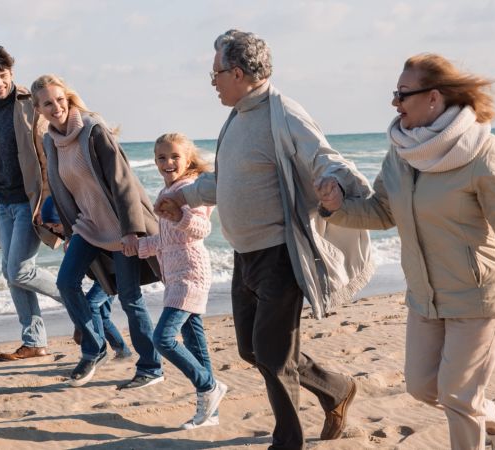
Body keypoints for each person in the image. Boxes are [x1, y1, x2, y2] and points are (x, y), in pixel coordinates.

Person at [155, 30, 372, 448]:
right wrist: (183, 196)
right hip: (244, 255)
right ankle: (336, 388)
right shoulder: (236, 117)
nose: (213, 81)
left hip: (280, 254)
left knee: (273, 357)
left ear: (237, 72)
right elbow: (229, 181)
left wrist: (334, 185)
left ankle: (287, 442)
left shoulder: (283, 113)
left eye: (216, 72)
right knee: (253, 351)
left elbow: (324, 157)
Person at [315, 53, 495, 450]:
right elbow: (384, 211)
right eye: (395, 94)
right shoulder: (402, 153)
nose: (395, 103)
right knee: (423, 387)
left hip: (479, 297)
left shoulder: (483, 152)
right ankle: (494, 415)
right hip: (425, 298)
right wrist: (338, 209)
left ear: (433, 98)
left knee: (457, 395)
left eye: (403, 94)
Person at [31, 74, 164, 389]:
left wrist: (131, 231)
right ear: (38, 109)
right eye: (48, 103)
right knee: (66, 282)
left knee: (130, 298)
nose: (56, 107)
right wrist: (68, 233)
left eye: (60, 100)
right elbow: (65, 190)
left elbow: (123, 182)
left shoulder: (93, 131)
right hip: (88, 227)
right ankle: (94, 348)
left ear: (69, 99)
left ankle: (151, 367)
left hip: (121, 227)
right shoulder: (50, 141)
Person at [0, 46, 63, 362]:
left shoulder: (30, 106)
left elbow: (49, 158)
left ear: (11, 75)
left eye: (3, 76)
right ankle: (34, 342)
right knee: (11, 272)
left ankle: (79, 300)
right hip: (2, 206)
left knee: (19, 270)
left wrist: (51, 204)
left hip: (28, 204)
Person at [131, 133, 226, 429]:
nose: (167, 162)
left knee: (163, 338)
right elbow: (168, 239)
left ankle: (209, 386)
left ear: (187, 160)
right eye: (161, 157)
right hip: (174, 276)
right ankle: (210, 412)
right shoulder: (168, 190)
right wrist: (139, 246)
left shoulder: (189, 189)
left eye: (174, 157)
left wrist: (178, 215)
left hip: (190, 273)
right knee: (196, 346)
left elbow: (201, 229)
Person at [40, 197, 133, 361]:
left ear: (65, 219)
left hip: (116, 273)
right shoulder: (73, 237)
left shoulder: (89, 229)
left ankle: (98, 351)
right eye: (50, 228)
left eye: (55, 225)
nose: (55, 231)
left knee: (91, 305)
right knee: (101, 315)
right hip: (103, 276)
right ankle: (123, 351)